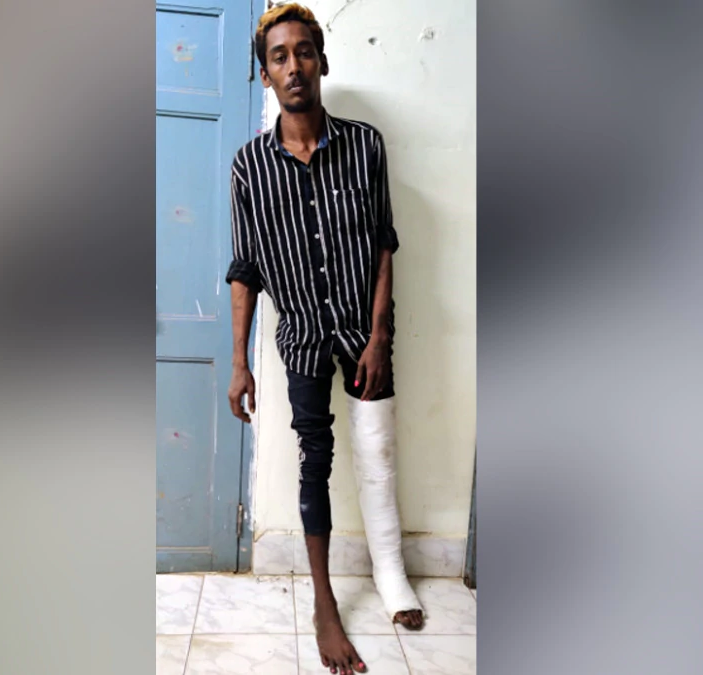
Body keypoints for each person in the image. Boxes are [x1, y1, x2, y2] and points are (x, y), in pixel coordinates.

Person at [224, 4, 424, 673]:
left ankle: (391, 575)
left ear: (322, 61)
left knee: (378, 452)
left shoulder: (365, 145)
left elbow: (385, 241)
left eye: (304, 51)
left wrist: (379, 333)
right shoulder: (249, 167)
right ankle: (324, 604)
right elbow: (245, 269)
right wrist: (239, 363)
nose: (294, 66)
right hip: (304, 337)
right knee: (317, 459)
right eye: (279, 56)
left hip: (365, 332)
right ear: (265, 75)